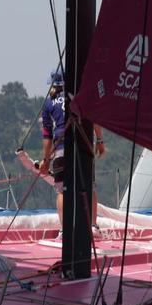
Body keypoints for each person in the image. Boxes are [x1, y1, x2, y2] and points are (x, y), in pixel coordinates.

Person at [39, 70, 105, 236]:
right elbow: (94, 119)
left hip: (60, 148)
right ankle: (93, 226)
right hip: (82, 146)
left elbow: (47, 136)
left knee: (62, 190)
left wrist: (45, 160)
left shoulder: (48, 103)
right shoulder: (81, 97)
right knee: (89, 186)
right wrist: (100, 141)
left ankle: (64, 230)